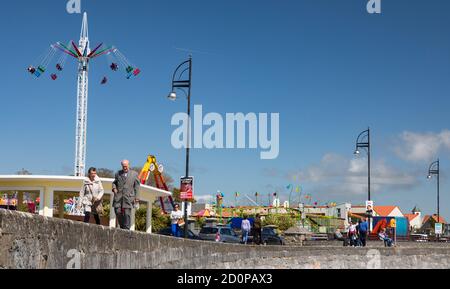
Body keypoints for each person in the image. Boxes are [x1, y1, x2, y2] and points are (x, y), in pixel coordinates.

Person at [112, 160, 140, 230]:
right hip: (118, 197)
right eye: (123, 166)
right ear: (121, 166)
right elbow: (114, 182)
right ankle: (122, 227)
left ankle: (127, 229)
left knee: (127, 214)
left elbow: (137, 186)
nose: (125, 168)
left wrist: (137, 197)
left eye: (126, 166)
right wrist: (114, 188)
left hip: (128, 197)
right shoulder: (117, 173)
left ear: (129, 165)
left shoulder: (134, 174)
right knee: (117, 211)